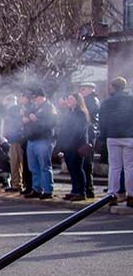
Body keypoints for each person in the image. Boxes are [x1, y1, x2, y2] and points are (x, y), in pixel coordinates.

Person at [98, 77, 133, 207]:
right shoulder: (131, 100)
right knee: (129, 167)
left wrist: (102, 136)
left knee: (114, 167)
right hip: (129, 136)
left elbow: (102, 121)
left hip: (112, 136)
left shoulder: (107, 103)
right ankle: (131, 195)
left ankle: (112, 195)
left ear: (113, 87)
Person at [23, 89, 58, 200]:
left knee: (44, 166)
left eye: (36, 97)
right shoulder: (34, 107)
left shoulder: (49, 108)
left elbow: (50, 124)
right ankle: (36, 188)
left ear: (42, 96)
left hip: (43, 140)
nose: (34, 100)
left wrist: (36, 119)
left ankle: (48, 190)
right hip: (32, 139)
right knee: (33, 167)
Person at [57, 93, 92, 201]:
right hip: (68, 146)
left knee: (78, 168)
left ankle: (81, 192)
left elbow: (79, 131)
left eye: (71, 99)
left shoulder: (81, 113)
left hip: (77, 145)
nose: (69, 101)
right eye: (68, 98)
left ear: (77, 100)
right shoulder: (69, 112)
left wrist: (71, 143)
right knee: (71, 169)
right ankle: (74, 190)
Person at [80, 82, 101, 198]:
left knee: (87, 163)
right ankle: (85, 187)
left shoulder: (93, 101)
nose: (82, 91)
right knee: (83, 163)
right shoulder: (88, 100)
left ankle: (89, 188)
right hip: (86, 133)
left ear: (90, 89)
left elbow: (87, 115)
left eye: (84, 89)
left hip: (89, 134)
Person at [0, 94, 23, 193]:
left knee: (16, 163)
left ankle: (16, 184)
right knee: (15, 163)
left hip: (16, 140)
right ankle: (16, 183)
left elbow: (13, 125)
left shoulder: (14, 111)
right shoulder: (13, 110)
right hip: (13, 139)